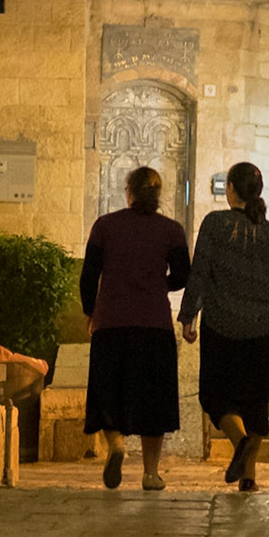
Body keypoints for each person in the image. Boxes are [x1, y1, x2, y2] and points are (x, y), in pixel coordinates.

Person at [179, 162, 269, 493]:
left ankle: (240, 443)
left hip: (221, 326)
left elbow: (199, 272)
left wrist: (188, 316)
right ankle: (249, 477)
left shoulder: (214, 224)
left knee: (217, 398)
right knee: (255, 403)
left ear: (230, 189)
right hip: (260, 331)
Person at [80, 166, 190, 491]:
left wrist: (91, 312)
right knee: (153, 400)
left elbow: (88, 275)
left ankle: (115, 445)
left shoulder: (105, 226)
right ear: (158, 195)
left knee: (108, 391)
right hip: (154, 324)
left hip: (111, 321)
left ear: (128, 192)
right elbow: (184, 274)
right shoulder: (171, 230)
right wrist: (157, 284)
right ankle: (151, 473)